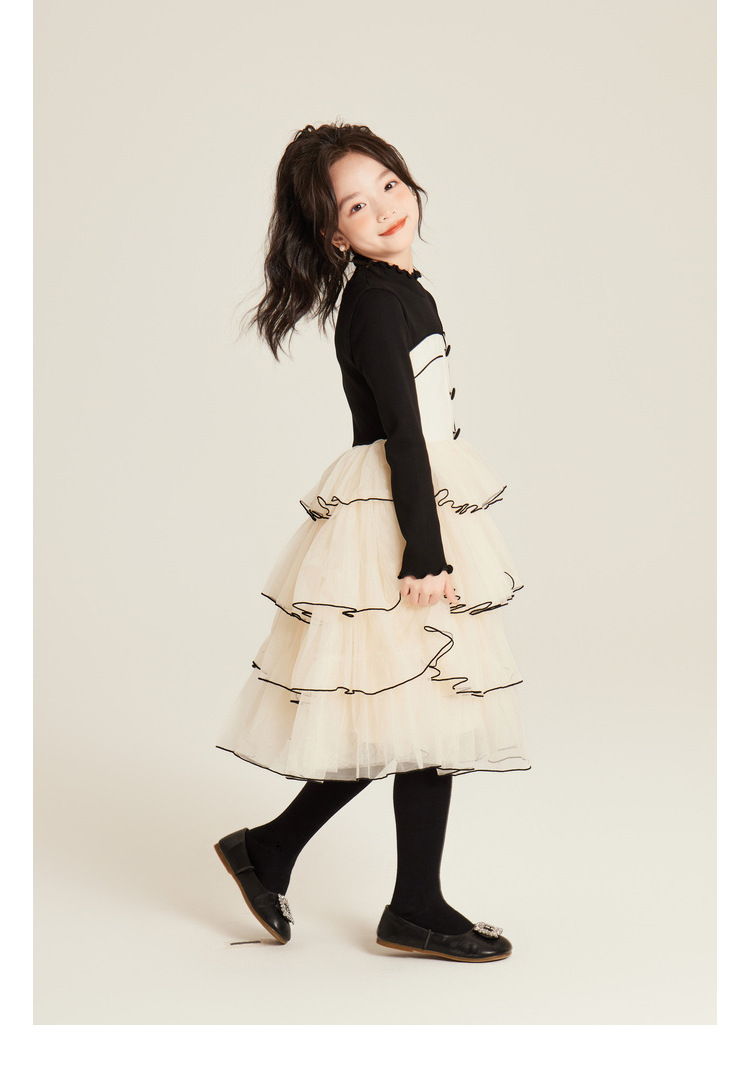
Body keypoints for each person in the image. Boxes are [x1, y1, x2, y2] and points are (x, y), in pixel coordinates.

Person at [214, 121, 531, 963]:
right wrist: (425, 549)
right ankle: (403, 900)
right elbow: (403, 434)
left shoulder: (402, 289)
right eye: (356, 205)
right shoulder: (379, 303)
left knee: (413, 708)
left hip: (415, 503)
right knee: (418, 702)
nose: (384, 207)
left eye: (388, 184)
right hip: (397, 513)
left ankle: (281, 854)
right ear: (333, 234)